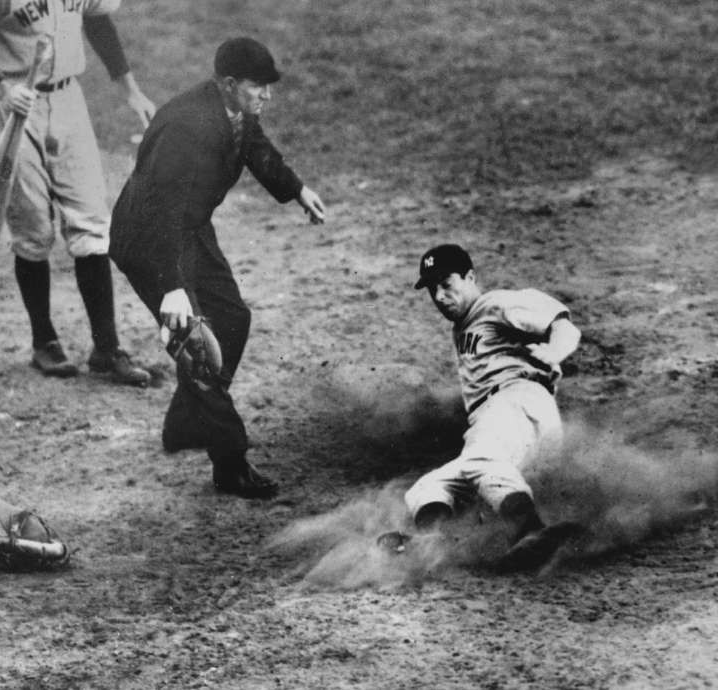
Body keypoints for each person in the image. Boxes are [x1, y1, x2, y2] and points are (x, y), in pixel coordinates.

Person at [108, 37, 327, 500]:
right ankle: (231, 463)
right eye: (257, 87)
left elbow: (256, 147)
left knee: (232, 320)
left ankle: (184, 424)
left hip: (188, 229)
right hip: (150, 239)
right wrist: (171, 286)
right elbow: (159, 206)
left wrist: (297, 190)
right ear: (228, 84)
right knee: (196, 344)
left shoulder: (238, 113)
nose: (266, 96)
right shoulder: (186, 127)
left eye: (269, 87)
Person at [0, 0, 154, 385]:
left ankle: (107, 349)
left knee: (91, 222)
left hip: (67, 100)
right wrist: (1, 87)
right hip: (11, 107)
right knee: (34, 227)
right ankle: (44, 340)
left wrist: (131, 90)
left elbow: (99, 22)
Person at [378, 244, 585, 572]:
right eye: (432, 289)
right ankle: (435, 542)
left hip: (517, 404)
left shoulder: (496, 304)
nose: (439, 296)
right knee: (428, 488)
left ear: (470, 277)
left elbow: (565, 327)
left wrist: (555, 352)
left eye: (447, 284)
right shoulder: (464, 325)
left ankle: (534, 533)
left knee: (480, 461)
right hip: (501, 428)